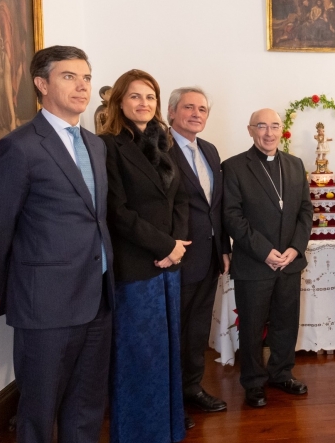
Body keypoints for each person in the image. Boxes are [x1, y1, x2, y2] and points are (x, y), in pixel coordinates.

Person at [0, 45, 112, 443]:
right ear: (41, 84)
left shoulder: (95, 144)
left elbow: (94, 218)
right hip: (45, 305)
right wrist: (16, 288)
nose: (82, 86)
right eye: (69, 76)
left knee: (87, 407)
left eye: (86, 77)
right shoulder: (18, 147)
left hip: (98, 298)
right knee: (38, 412)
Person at [100, 69, 190, 441]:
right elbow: (116, 211)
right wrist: (164, 246)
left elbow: (181, 199)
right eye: (136, 96)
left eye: (151, 97)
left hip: (169, 266)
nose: (144, 103)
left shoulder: (163, 142)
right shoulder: (107, 146)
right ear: (120, 101)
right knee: (139, 358)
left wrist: (177, 246)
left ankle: (166, 429)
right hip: (135, 267)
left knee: (167, 354)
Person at [223, 108, 313, 408]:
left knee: (286, 322)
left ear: (282, 130)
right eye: (262, 126)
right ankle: (253, 382)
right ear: (250, 130)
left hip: (289, 262)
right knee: (251, 326)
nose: (269, 132)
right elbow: (232, 217)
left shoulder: (295, 164)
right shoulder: (234, 167)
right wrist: (265, 251)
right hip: (254, 263)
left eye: (275, 126)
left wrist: (295, 248)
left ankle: (281, 373)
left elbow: (304, 211)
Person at [168, 87, 230, 415]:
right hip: (175, 258)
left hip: (208, 258)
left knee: (197, 330)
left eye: (202, 109)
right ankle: (170, 399)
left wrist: (223, 247)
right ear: (172, 112)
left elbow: (214, 207)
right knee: (173, 331)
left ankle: (192, 388)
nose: (196, 114)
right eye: (189, 107)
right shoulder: (159, 149)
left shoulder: (210, 150)